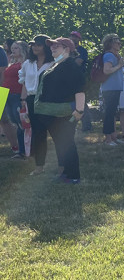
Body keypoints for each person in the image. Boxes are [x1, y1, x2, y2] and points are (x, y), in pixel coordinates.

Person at [32, 37, 85, 183]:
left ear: (67, 49)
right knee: (61, 143)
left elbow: (80, 89)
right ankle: (66, 174)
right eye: (52, 46)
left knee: (67, 143)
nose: (52, 48)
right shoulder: (57, 64)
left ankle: (73, 176)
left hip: (64, 112)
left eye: (57, 46)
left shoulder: (70, 65)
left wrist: (79, 110)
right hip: (51, 113)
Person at [19, 35, 54, 165]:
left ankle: (60, 161)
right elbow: (23, 82)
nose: (35, 47)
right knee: (37, 130)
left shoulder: (53, 63)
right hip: (31, 99)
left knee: (50, 130)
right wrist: (23, 100)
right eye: (33, 45)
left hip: (48, 99)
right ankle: (39, 163)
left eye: (38, 44)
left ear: (46, 46)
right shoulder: (28, 63)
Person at [1, 41, 28, 158]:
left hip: (17, 95)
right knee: (15, 122)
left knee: (21, 123)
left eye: (16, 48)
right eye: (12, 48)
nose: (13, 50)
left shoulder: (25, 63)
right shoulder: (12, 62)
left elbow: (24, 81)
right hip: (6, 94)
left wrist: (23, 98)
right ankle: (20, 150)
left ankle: (24, 150)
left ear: (23, 49)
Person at [99, 34, 124, 146]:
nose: (120, 44)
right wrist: (119, 65)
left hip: (114, 88)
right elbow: (107, 70)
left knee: (112, 113)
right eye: (117, 42)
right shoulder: (109, 56)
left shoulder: (115, 55)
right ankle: (108, 139)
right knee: (109, 114)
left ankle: (113, 137)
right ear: (111, 43)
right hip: (110, 88)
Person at [70, 31, 92, 131]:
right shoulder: (65, 50)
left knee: (81, 103)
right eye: (71, 36)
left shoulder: (82, 50)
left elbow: (78, 63)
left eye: (75, 37)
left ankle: (87, 126)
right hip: (68, 80)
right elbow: (58, 62)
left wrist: (67, 61)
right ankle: (70, 126)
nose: (73, 38)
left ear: (79, 39)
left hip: (79, 79)